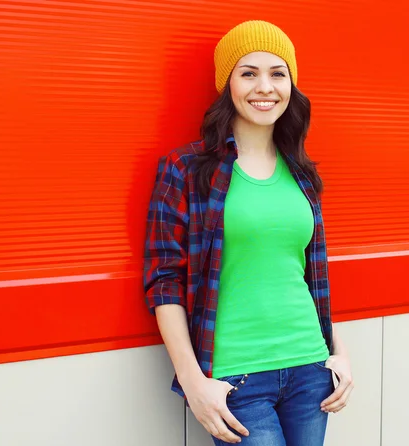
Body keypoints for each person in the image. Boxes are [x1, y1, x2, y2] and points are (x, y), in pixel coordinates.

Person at [144, 20, 354, 446]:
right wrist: (192, 382)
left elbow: (307, 276)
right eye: (249, 72)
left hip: (311, 371)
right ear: (227, 84)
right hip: (235, 379)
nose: (265, 87)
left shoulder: (302, 173)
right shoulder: (186, 168)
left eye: (278, 73)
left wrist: (340, 355)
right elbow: (163, 281)